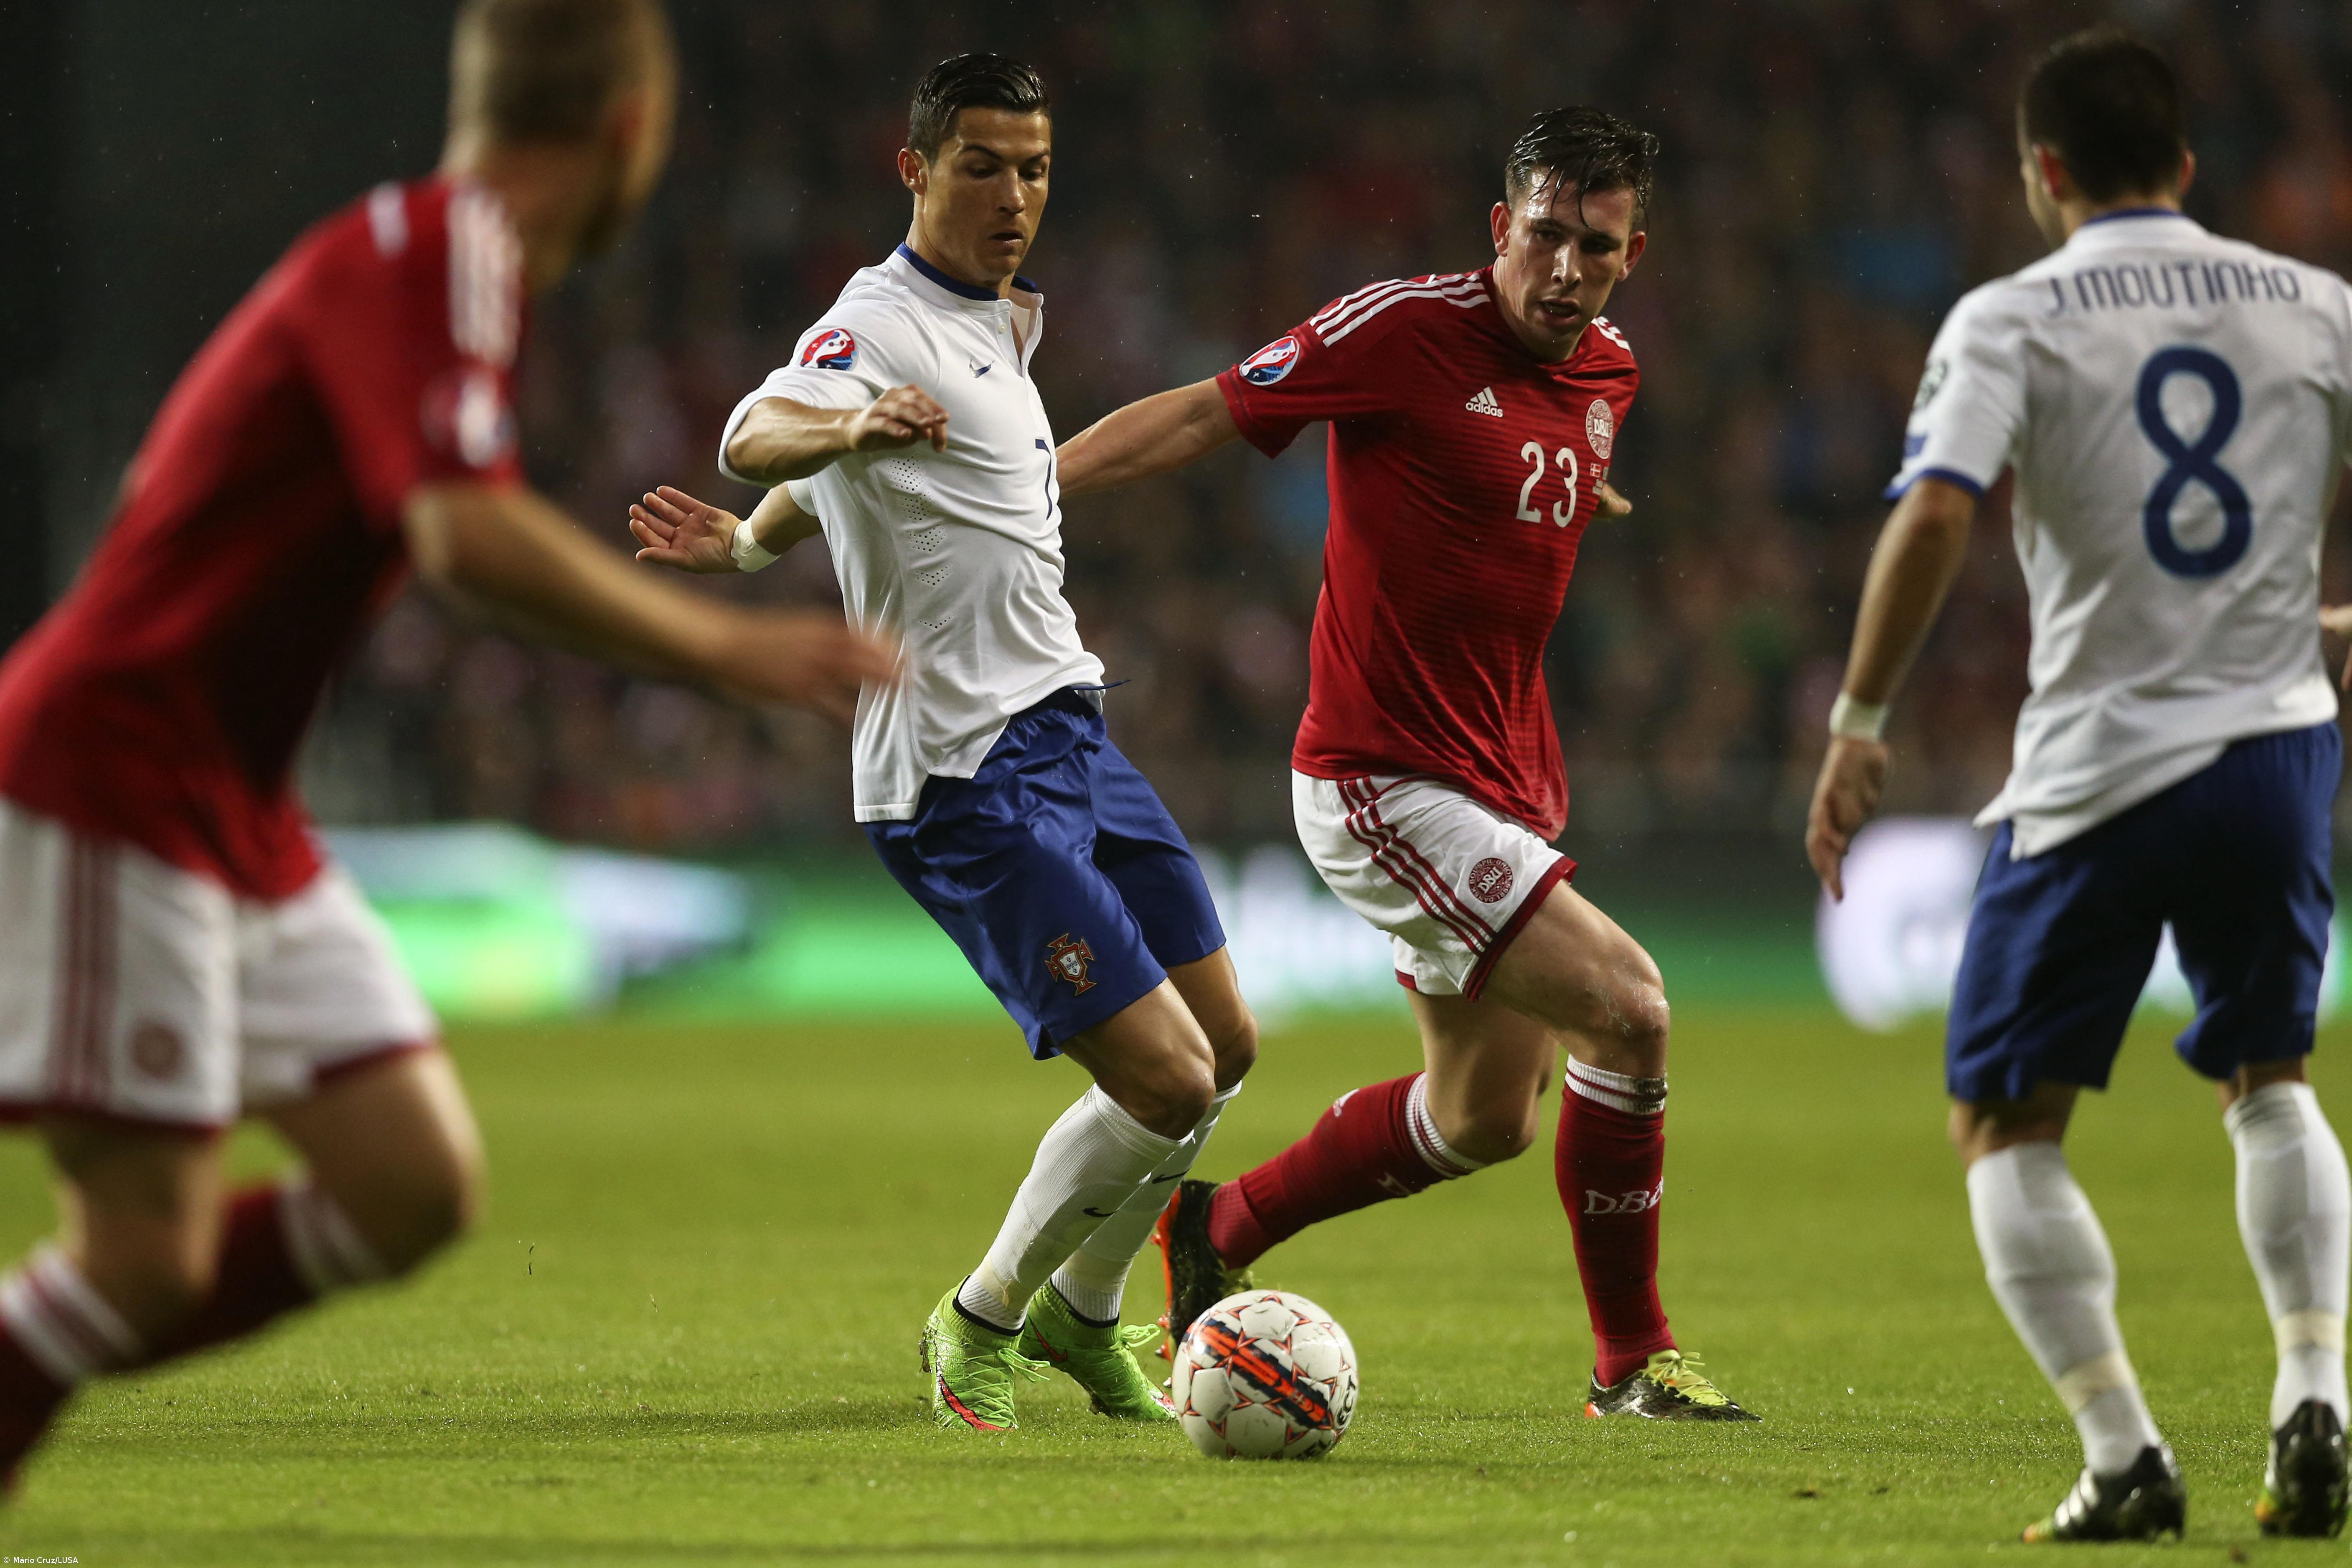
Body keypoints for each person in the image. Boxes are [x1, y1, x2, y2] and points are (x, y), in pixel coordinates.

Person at [0, 0, 894, 1490]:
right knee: (142, 1255)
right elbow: (461, 535)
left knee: (405, 1181)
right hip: (120, 771)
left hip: (235, 804)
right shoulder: (443, 249)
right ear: (630, 130)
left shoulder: (436, 263)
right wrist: (723, 645)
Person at [1048, 107, 1753, 1422]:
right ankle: (1633, 1361)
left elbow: (1527, 474)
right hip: (1385, 779)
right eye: (1543, 235)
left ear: (1633, 255)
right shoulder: (1402, 327)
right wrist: (1026, 489)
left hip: (1506, 783)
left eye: (1596, 247)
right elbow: (1205, 412)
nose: (1564, 269)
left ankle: (1220, 1224)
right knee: (1633, 1008)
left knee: (1484, 1117)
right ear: (1501, 225)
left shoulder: (1610, 373)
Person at [627, 53, 1257, 1434]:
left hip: (1070, 731)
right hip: (963, 775)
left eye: (1035, 168)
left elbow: (839, 487)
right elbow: (757, 430)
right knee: (1165, 1078)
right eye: (983, 166)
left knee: (1224, 1045)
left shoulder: (997, 326)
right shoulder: (875, 321)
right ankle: (980, 1319)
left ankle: (1086, 1315)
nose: (1014, 195)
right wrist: (842, 423)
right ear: (914, 169)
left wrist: (748, 549)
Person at [1806, 26, 2352, 1544]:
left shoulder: (2013, 318)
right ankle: (2318, 1388)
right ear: (2186, 160)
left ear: (2044, 170)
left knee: (2005, 1123)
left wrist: (1859, 718)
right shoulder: (2318, 305)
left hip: (2101, 767)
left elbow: (1934, 517)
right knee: (2272, 1080)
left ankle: (2125, 1454)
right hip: (2276, 752)